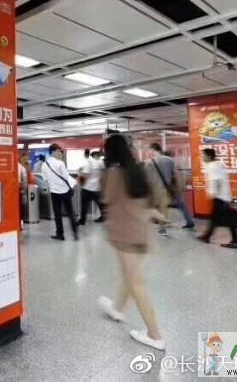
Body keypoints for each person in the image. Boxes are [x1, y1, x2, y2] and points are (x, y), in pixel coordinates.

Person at [97, 135, 165, 350]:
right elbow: (149, 198)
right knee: (129, 275)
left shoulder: (113, 173)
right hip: (143, 229)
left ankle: (154, 335)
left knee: (136, 282)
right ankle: (117, 309)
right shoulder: (138, 170)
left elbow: (107, 199)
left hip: (125, 233)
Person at [197, 148, 237, 249]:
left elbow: (215, 180)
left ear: (209, 156)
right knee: (219, 218)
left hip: (219, 197)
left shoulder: (212, 166)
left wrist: (212, 193)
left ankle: (236, 241)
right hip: (224, 196)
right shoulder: (219, 164)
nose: (202, 157)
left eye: (203, 155)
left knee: (220, 218)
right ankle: (208, 237)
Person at [147, 143, 195, 235]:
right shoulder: (170, 160)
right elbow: (176, 175)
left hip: (156, 189)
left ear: (152, 150)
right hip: (168, 189)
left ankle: (161, 225)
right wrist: (180, 188)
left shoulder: (150, 162)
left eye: (149, 150)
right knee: (164, 208)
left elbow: (148, 178)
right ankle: (162, 227)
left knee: (157, 208)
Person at [41, 143, 78, 241]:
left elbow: (44, 178)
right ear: (53, 151)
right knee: (70, 212)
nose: (60, 153)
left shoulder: (44, 164)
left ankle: (60, 234)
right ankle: (75, 232)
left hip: (54, 192)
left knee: (57, 214)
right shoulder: (60, 163)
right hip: (65, 191)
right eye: (59, 151)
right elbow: (66, 177)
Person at [77, 150, 104, 226]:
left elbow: (84, 175)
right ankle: (103, 217)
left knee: (84, 205)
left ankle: (82, 220)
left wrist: (81, 181)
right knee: (100, 204)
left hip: (87, 188)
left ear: (92, 155)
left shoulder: (89, 162)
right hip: (97, 188)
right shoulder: (102, 163)